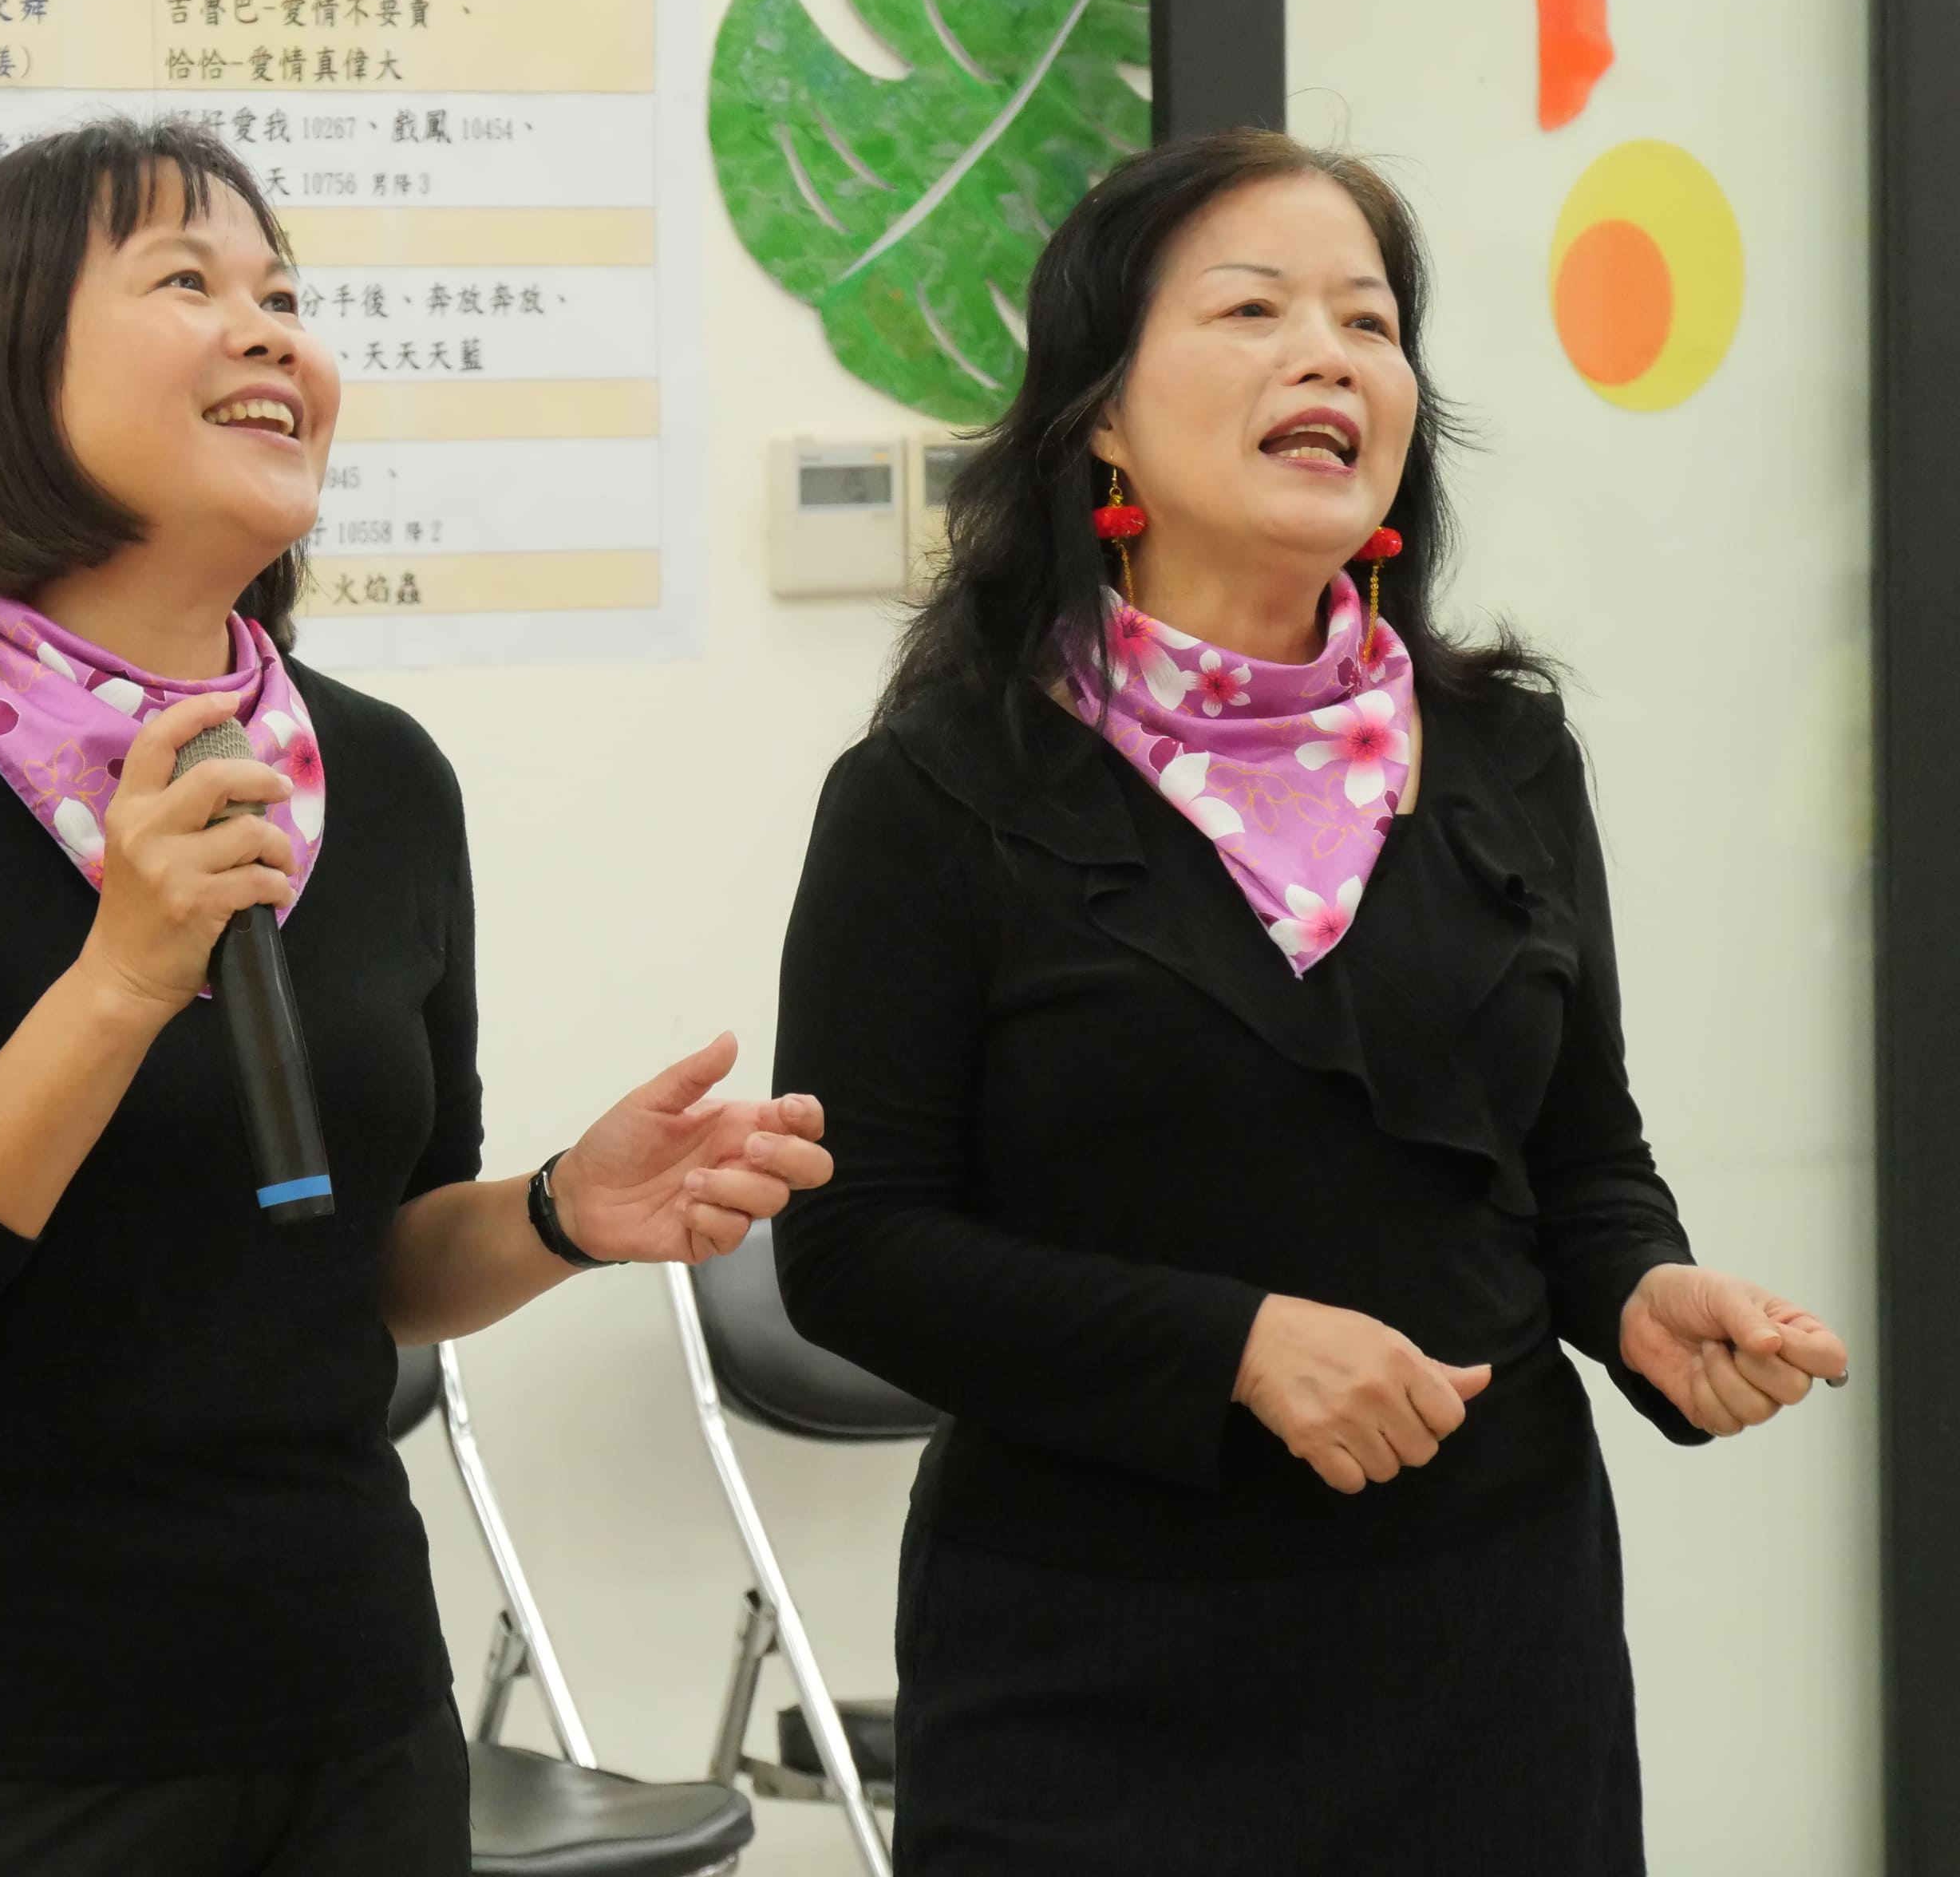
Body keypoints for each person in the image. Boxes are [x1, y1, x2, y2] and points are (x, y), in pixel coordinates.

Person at [0, 115, 831, 1877]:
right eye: (187, 283)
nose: (270, 333)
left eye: (284, 297)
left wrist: (557, 1214)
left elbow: (359, 1266)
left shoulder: (374, 775)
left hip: (343, 1704)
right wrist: (119, 982)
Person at [770, 128, 1849, 1877]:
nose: (1328, 357)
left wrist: (1643, 1291)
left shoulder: (1504, 754)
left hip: (1489, 1649)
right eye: (1253, 310)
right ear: (1101, 418)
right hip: (1097, 1675)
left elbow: (1578, 1163)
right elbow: (854, 1250)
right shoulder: (939, 790)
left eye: (1367, 321)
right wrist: (1233, 1349)